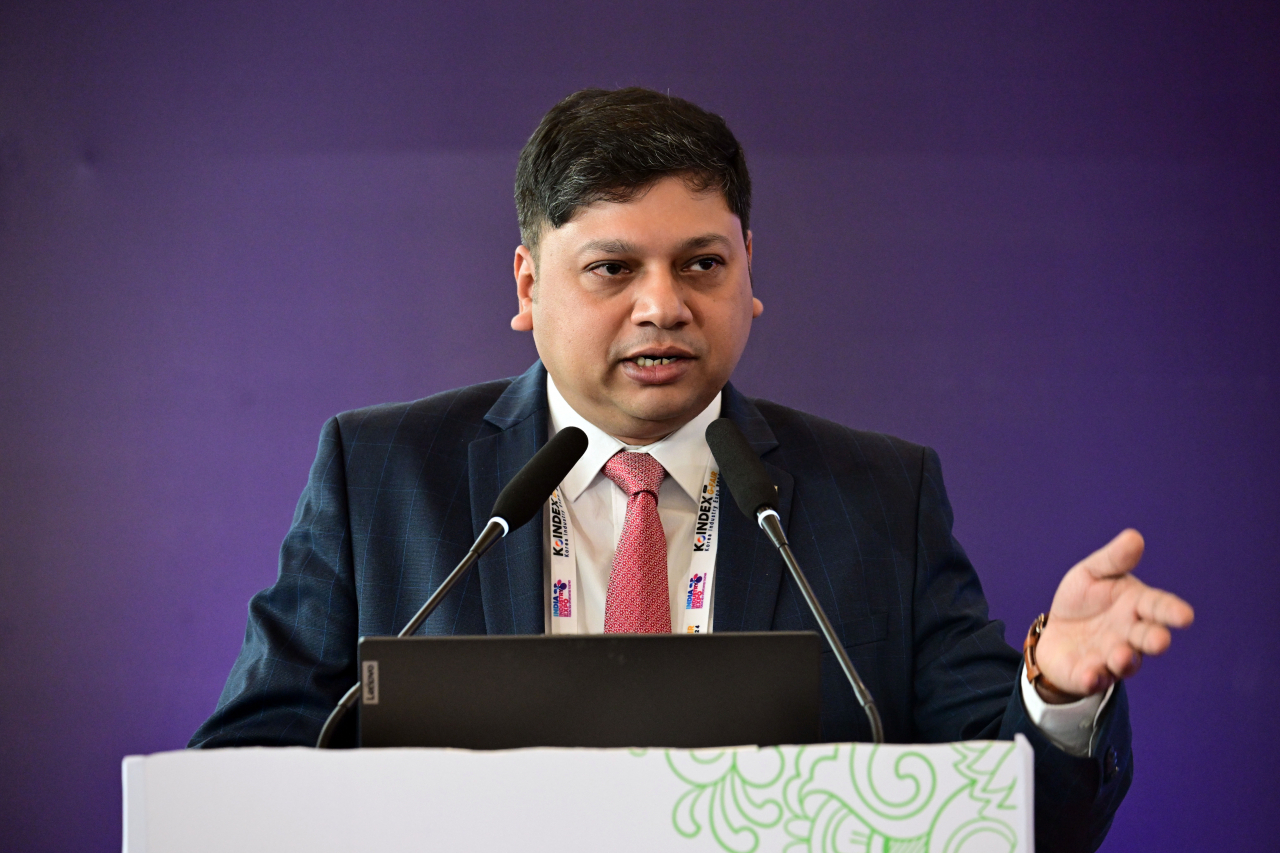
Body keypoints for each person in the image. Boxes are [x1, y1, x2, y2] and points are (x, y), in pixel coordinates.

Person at [190, 88, 1193, 851]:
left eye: (701, 265)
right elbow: (244, 772)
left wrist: (1054, 695)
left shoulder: (882, 497)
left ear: (750, 276)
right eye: (612, 269)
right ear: (528, 285)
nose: (661, 306)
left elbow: (1015, 818)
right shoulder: (380, 474)